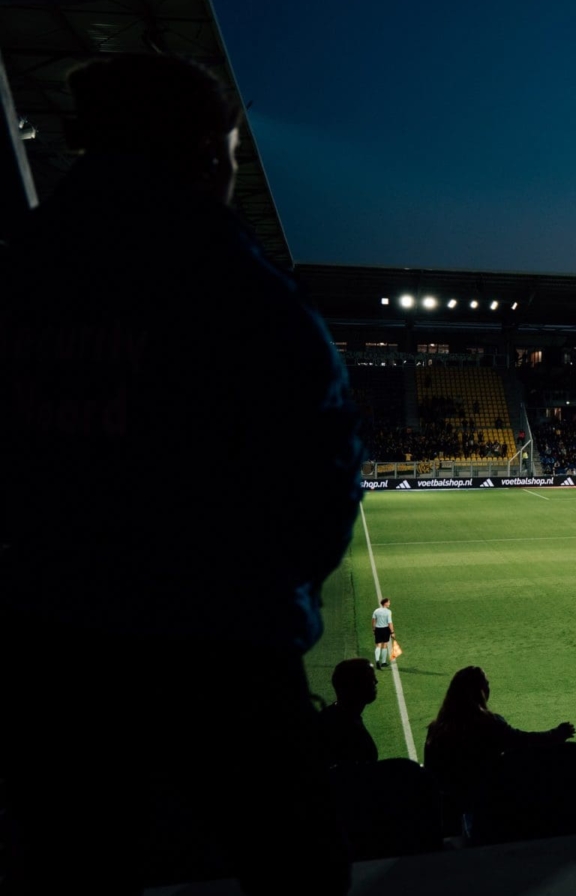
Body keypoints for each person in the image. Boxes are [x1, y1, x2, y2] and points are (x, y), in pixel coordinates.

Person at [0, 54, 361, 893]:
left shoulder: (22, 271)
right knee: (294, 866)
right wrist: (262, 593)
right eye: (229, 151)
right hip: (224, 649)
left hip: (52, 648)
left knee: (76, 864)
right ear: (205, 153)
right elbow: (320, 478)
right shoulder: (235, 287)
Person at [424, 666, 576, 826]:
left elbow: (430, 774)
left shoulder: (436, 730)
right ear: (481, 692)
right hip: (486, 808)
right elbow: (524, 741)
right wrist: (555, 734)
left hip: (447, 812)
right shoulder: (489, 725)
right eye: (486, 684)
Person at [315, 658, 379, 768]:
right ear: (354, 686)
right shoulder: (343, 728)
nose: (376, 682)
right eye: (370, 679)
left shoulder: (335, 715)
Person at [372, 597, 394, 669]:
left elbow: (373, 621)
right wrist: (392, 632)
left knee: (378, 645)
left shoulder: (376, 611)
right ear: (385, 603)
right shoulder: (388, 612)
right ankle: (383, 662)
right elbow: (390, 623)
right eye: (388, 602)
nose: (389, 603)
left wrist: (374, 629)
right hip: (385, 629)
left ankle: (377, 660)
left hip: (378, 629)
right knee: (384, 645)